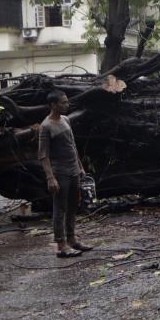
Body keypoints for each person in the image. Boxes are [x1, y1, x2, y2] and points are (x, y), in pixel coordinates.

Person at [39, 90, 92, 258]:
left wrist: (80, 167)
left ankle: (72, 240)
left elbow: (73, 145)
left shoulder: (66, 120)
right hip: (59, 172)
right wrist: (50, 177)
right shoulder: (46, 126)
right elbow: (43, 155)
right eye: (63, 102)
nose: (67, 105)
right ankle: (61, 245)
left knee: (72, 206)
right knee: (60, 209)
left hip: (73, 170)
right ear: (53, 105)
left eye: (67, 102)